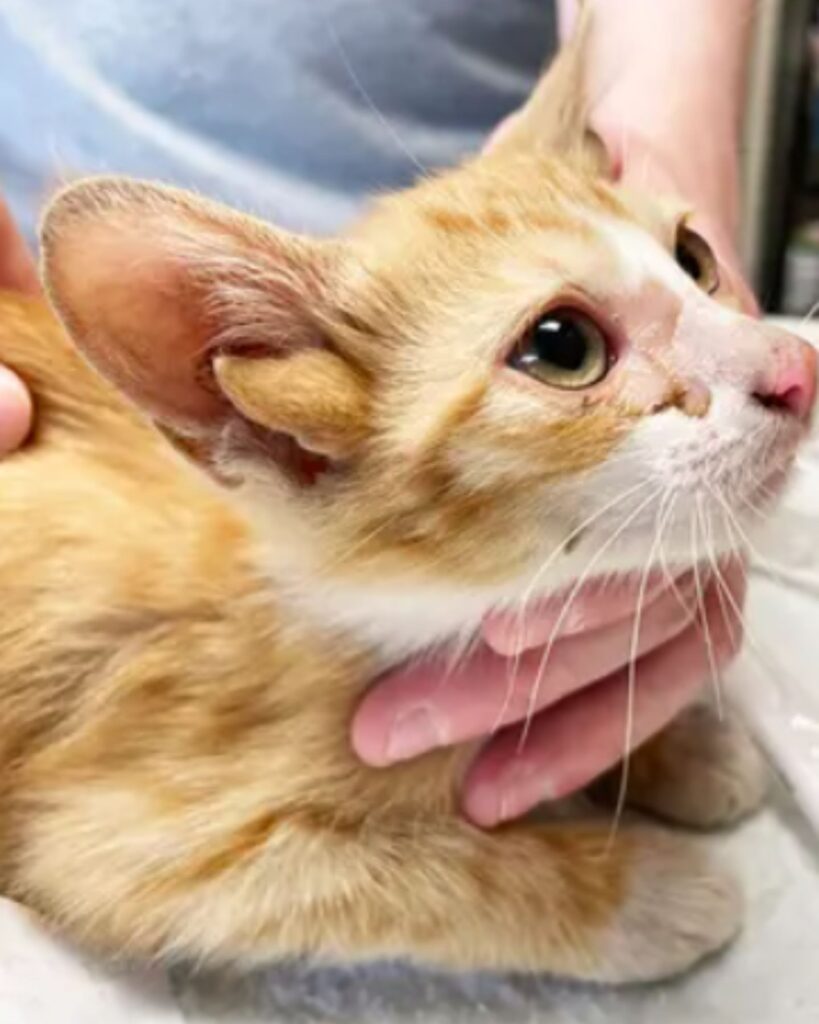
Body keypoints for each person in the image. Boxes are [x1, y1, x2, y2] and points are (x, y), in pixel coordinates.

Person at [0, 0, 755, 826]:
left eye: (690, 261)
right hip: (91, 283)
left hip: (507, 194)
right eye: (561, 346)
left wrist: (658, 115)